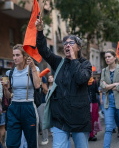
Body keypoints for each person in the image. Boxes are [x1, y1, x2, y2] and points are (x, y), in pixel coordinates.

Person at [36, 18, 92, 148]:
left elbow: (80, 79)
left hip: (79, 117)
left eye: (71, 43)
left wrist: (73, 60)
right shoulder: (59, 62)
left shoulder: (86, 64)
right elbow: (43, 50)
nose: (67, 45)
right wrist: (40, 31)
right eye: (65, 43)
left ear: (79, 47)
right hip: (60, 117)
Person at [2, 45, 40, 148]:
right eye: (13, 55)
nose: (15, 58)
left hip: (28, 107)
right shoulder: (10, 73)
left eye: (17, 55)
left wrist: (32, 67)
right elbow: (8, 96)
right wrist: (5, 88)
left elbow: (37, 85)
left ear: (24, 56)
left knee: (31, 143)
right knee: (11, 143)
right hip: (14, 107)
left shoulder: (34, 69)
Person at [88, 71, 100, 142]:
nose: (90, 74)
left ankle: (92, 134)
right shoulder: (84, 82)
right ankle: (89, 134)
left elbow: (97, 91)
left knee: (93, 119)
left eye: (91, 73)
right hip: (87, 103)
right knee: (88, 120)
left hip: (94, 103)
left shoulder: (94, 82)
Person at [38, 74, 49, 145]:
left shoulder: (42, 78)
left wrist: (41, 84)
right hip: (33, 102)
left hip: (41, 102)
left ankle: (45, 138)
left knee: (42, 121)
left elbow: (46, 91)